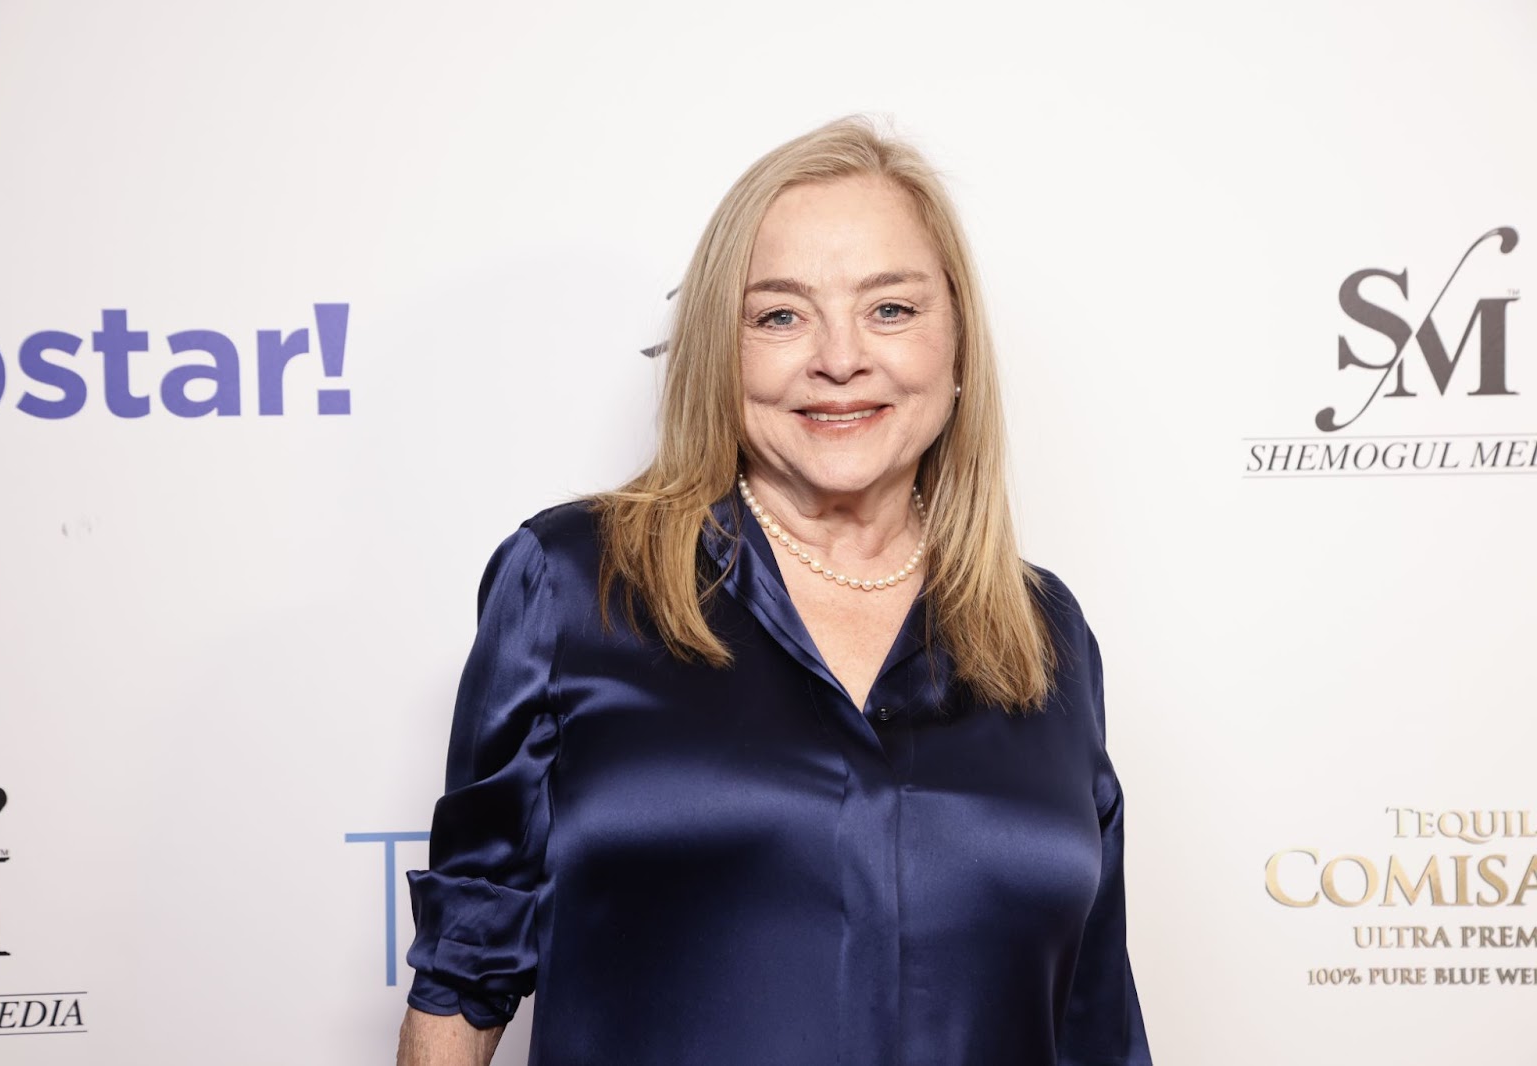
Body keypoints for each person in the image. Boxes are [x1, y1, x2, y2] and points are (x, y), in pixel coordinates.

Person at [397, 116, 1151, 1066]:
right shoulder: (575, 583)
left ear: (956, 344)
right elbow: (463, 982)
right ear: (724, 349)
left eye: (891, 309)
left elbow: (1095, 1026)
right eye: (781, 315)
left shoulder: (1045, 634)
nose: (840, 358)